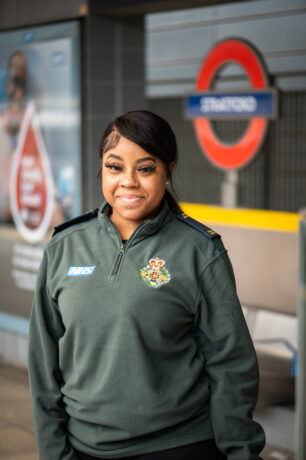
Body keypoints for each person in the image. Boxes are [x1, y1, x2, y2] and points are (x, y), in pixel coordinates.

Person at [28, 110, 265, 460]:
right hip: (83, 448)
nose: (128, 181)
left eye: (145, 168)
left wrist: (241, 451)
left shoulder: (199, 250)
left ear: (168, 170)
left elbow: (231, 362)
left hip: (178, 445)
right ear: (101, 170)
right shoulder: (65, 246)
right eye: (114, 166)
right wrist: (54, 452)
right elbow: (42, 361)